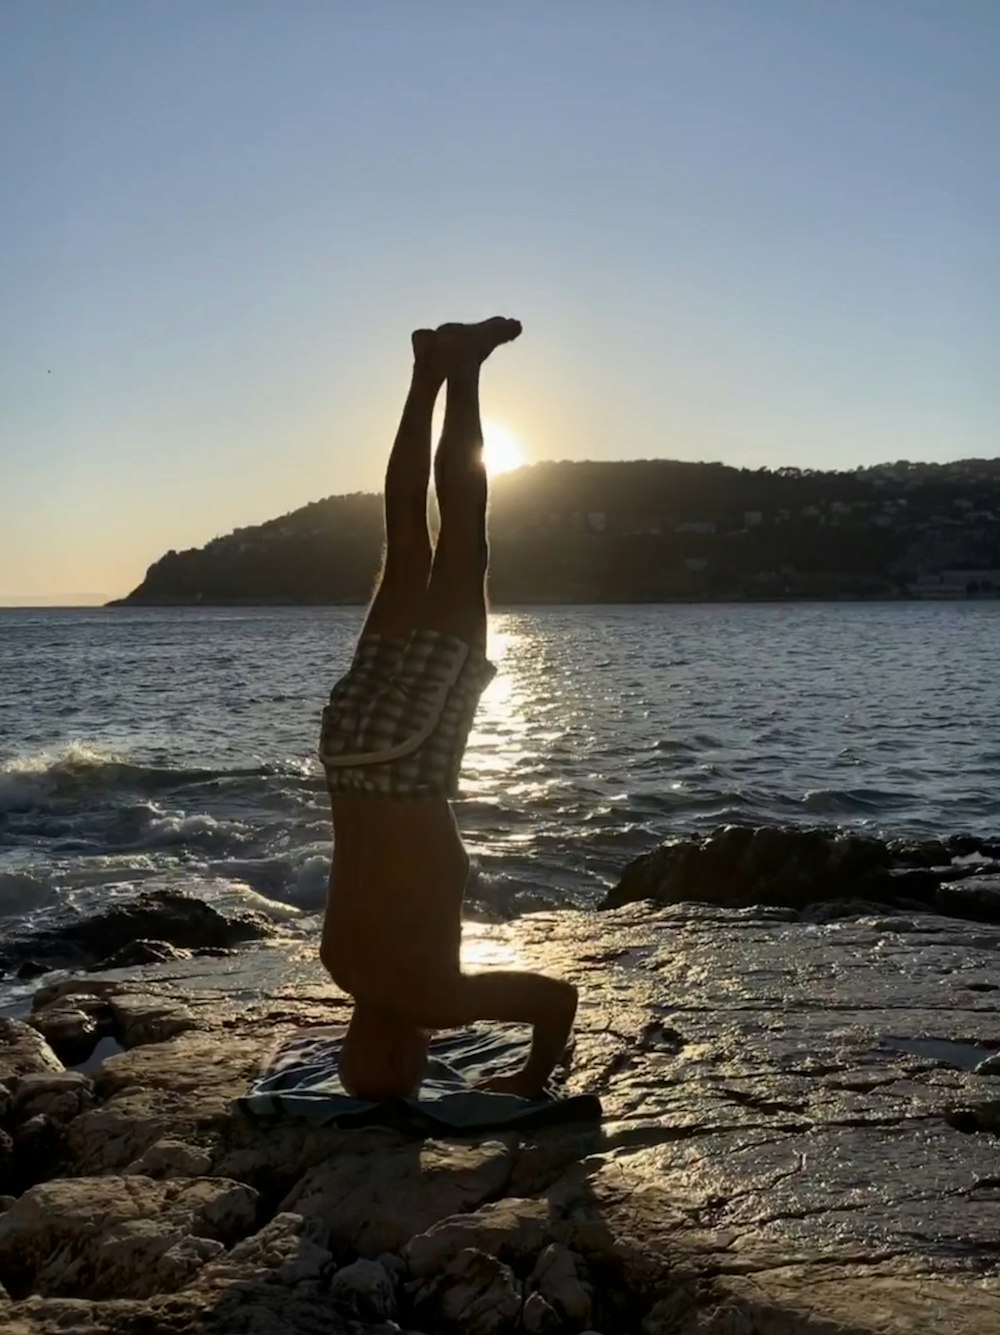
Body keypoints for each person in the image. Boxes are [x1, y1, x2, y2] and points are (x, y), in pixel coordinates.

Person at [318, 317, 578, 1101]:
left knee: (463, 537)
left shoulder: (434, 1000)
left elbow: (555, 1001)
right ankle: (425, 371)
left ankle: (463, 369)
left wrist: (529, 1077)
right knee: (404, 544)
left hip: (408, 758)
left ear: (401, 1059)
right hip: (346, 750)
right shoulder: (340, 968)